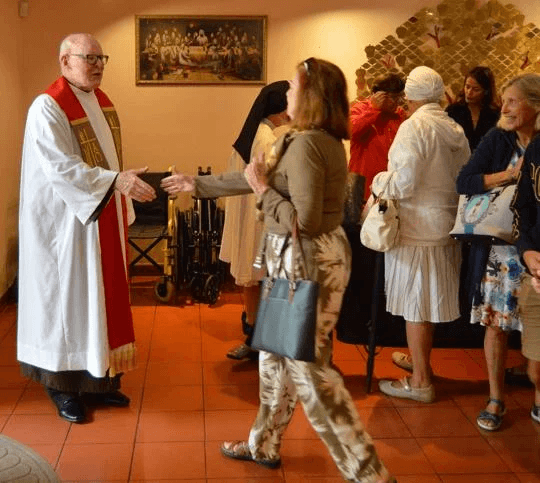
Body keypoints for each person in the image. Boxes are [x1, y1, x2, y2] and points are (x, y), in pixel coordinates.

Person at [162, 58, 395, 483]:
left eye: (292, 84)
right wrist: (198, 186)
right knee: (272, 362)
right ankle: (263, 444)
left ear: (308, 95)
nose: (285, 90)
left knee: (311, 374)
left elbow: (301, 219)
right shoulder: (296, 138)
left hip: (307, 261)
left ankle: (370, 473)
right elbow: (257, 176)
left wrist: (263, 192)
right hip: (288, 257)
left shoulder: (308, 145)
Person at [17, 33, 156, 424]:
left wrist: (120, 182)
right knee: (68, 305)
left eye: (101, 58)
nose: (97, 65)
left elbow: (107, 162)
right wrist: (116, 182)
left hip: (96, 218)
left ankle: (97, 383)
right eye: (88, 58)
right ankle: (62, 387)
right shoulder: (47, 107)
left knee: (95, 303)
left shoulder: (100, 101)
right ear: (65, 61)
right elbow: (60, 168)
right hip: (63, 228)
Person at [375, 66, 470, 404]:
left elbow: (402, 183)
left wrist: (377, 181)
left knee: (416, 304)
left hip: (416, 228)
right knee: (427, 302)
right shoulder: (453, 126)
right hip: (447, 225)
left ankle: (420, 382)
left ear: (410, 97)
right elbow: (465, 177)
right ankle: (418, 362)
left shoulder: (413, 127)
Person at [452, 73, 540, 431]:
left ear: (536, 106)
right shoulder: (498, 138)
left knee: (535, 327)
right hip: (499, 251)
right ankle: (495, 397)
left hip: (535, 250)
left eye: (513, 101)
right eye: (504, 99)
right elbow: (464, 181)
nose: (504, 108)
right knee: (496, 325)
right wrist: (507, 175)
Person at [220, 81, 290, 361]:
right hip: (262, 218)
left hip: (248, 216)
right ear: (279, 109)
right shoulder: (268, 140)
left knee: (252, 279)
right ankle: (261, 340)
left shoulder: (253, 134)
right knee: (265, 279)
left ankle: (253, 334)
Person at [512, 127, 540, 426]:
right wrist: (526, 249)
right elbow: (522, 206)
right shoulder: (537, 149)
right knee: (536, 370)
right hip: (537, 273)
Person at [349, 73, 406, 201]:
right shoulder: (359, 109)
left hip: (389, 189)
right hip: (361, 189)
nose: (397, 102)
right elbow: (351, 131)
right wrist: (374, 110)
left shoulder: (400, 115)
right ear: (376, 95)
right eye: (392, 97)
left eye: (399, 97)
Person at [446, 66, 500, 151]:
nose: (469, 92)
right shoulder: (453, 110)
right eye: (467, 87)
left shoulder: (494, 114)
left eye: (476, 89)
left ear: (486, 91)